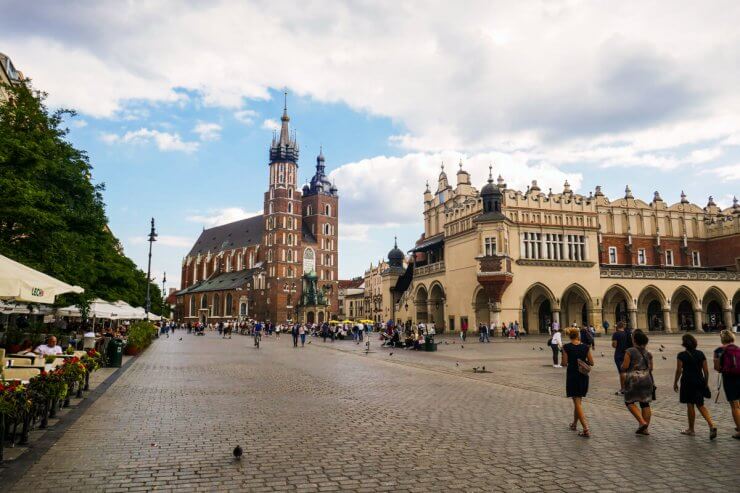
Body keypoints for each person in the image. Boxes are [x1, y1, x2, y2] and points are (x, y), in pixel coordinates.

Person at [673, 333, 717, 439]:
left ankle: (691, 429)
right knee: (700, 404)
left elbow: (679, 370)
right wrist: (705, 383)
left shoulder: (681, 355)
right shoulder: (700, 354)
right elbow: (706, 371)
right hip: (699, 380)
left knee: (690, 404)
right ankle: (712, 425)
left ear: (684, 344)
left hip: (687, 381)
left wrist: (675, 382)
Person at [561, 328, 593, 437]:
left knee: (577, 401)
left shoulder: (566, 347)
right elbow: (592, 362)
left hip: (572, 375)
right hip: (583, 375)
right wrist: (582, 361)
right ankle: (574, 424)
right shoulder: (586, 347)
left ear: (570, 336)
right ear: (578, 335)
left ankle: (585, 428)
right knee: (578, 400)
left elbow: (564, 363)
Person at [622, 329, 653, 435]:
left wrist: (623, 366)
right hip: (647, 379)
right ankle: (645, 429)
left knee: (629, 401)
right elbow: (651, 368)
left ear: (634, 340)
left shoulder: (629, 351)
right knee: (645, 404)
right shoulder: (648, 353)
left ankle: (642, 422)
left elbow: (625, 367)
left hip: (633, 380)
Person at [713, 330, 740, 439]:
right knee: (738, 404)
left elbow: (717, 368)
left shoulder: (719, 350)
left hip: (729, 379)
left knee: (734, 405)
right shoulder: (738, 348)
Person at [611, 322, 632, 395]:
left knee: (621, 372)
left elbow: (614, 345)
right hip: (627, 354)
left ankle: (623, 389)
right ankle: (629, 387)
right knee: (627, 371)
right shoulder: (627, 333)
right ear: (623, 326)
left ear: (617, 326)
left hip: (619, 354)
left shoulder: (616, 334)